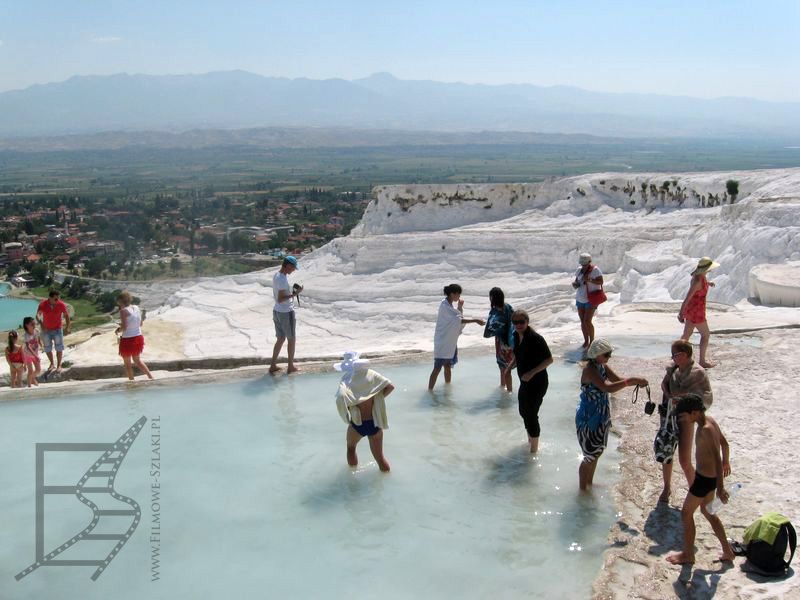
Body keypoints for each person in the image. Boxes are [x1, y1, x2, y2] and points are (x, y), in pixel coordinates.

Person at [666, 394, 734, 565]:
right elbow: (725, 444)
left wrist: (721, 488)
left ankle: (688, 555)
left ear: (694, 413)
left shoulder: (706, 430)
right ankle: (728, 551)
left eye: (684, 415)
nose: (682, 419)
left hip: (704, 481)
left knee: (686, 513)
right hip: (707, 479)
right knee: (708, 512)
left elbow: (716, 459)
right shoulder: (709, 421)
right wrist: (727, 461)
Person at [576, 338, 647, 491]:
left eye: (609, 354)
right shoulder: (589, 370)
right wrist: (631, 380)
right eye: (606, 354)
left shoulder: (603, 366)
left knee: (597, 451)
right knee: (589, 455)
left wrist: (635, 381)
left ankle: (589, 483)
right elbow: (606, 387)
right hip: (589, 416)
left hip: (601, 414)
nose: (609, 357)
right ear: (596, 355)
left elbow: (618, 380)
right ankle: (582, 491)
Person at [655, 339, 713, 503]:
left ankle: (696, 492)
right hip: (669, 415)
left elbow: (702, 396)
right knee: (666, 453)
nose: (673, 358)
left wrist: (679, 398)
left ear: (685, 354)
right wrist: (669, 395)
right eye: (672, 354)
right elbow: (664, 384)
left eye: (676, 354)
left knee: (684, 459)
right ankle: (667, 487)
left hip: (686, 417)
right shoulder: (673, 369)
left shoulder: (697, 373)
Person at [335, 351, 395, 472]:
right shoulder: (371, 374)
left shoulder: (346, 379)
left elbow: (340, 398)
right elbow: (390, 387)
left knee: (351, 449)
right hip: (375, 422)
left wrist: (349, 407)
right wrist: (378, 399)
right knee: (380, 459)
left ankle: (352, 478)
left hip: (358, 424)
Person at [506, 309, 553, 453]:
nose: (518, 325)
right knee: (523, 411)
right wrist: (510, 366)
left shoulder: (535, 338)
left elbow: (549, 360)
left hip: (538, 382)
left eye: (522, 322)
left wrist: (532, 373)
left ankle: (534, 450)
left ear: (527, 322)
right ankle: (530, 440)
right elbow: (519, 355)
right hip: (525, 382)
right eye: (516, 322)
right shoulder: (515, 335)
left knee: (531, 414)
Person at [428, 284, 485, 390]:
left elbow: (457, 318)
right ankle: (430, 390)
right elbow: (458, 320)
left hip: (449, 342)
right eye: (458, 294)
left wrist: (459, 307)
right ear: (452, 294)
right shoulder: (444, 306)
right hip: (443, 341)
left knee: (447, 366)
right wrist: (476, 320)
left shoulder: (449, 306)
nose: (459, 296)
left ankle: (447, 388)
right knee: (437, 368)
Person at [678, 257, 719, 368]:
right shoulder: (697, 281)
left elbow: (701, 286)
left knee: (686, 335)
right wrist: (680, 313)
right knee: (705, 335)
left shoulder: (700, 277)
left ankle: (677, 357)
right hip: (697, 312)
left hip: (692, 310)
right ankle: (702, 361)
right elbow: (688, 297)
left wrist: (708, 284)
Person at [269, 256, 299, 375]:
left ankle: (273, 366)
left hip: (277, 311)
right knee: (291, 339)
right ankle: (290, 367)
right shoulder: (282, 279)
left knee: (280, 338)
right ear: (288, 266)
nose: (293, 270)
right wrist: (295, 294)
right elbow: (281, 299)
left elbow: (279, 298)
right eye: (293, 268)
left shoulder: (277, 275)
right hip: (286, 312)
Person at [115, 291, 153, 381]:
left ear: (120, 301)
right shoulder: (136, 307)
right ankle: (151, 377)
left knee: (128, 364)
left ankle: (132, 383)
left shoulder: (123, 311)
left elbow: (124, 327)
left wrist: (118, 330)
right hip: (138, 337)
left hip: (128, 339)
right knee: (137, 360)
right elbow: (140, 324)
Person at [483, 287, 515, 392]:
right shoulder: (508, 307)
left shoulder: (494, 310)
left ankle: (505, 388)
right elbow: (514, 321)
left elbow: (490, 327)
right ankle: (507, 389)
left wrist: (488, 333)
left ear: (492, 297)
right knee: (508, 366)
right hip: (511, 339)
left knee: (502, 366)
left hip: (501, 341)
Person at [572, 253, 604, 349]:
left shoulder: (595, 270)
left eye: (585, 264)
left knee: (587, 321)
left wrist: (590, 279)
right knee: (582, 321)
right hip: (580, 298)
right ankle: (586, 340)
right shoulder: (579, 270)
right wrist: (575, 284)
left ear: (589, 262)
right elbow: (577, 281)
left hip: (591, 299)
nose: (583, 266)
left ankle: (592, 341)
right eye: (582, 264)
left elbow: (601, 282)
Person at [36, 289, 71, 373]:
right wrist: (41, 323)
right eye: (55, 299)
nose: (57, 300)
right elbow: (37, 315)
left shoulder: (61, 304)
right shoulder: (43, 304)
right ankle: (52, 364)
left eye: (58, 298)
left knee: (59, 347)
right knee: (47, 348)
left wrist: (67, 327)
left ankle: (59, 365)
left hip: (57, 329)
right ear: (50, 298)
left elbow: (66, 316)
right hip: (46, 330)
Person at [22, 316, 42, 387]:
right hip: (27, 355)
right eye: (32, 324)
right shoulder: (26, 335)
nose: (34, 325)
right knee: (30, 371)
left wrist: (40, 344)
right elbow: (28, 346)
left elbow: (38, 338)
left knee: (38, 370)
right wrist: (35, 356)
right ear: (26, 325)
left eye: (34, 324)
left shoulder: (36, 331)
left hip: (35, 353)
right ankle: (29, 385)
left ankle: (32, 378)